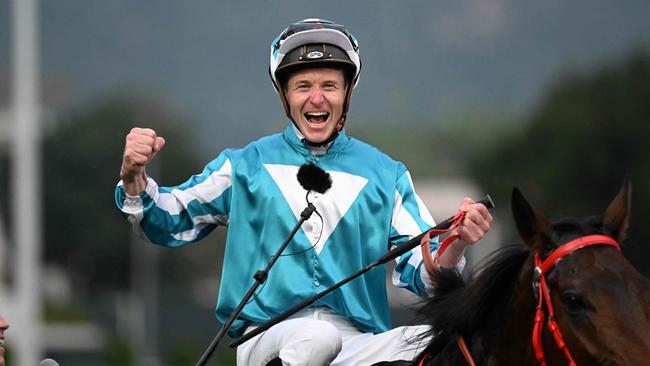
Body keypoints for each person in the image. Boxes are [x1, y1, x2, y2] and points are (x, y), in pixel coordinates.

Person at [115, 18, 492, 366]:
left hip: (356, 346)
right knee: (317, 336)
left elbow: (422, 277)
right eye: (303, 86)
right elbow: (166, 218)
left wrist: (455, 241)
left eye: (329, 85)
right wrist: (135, 176)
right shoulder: (244, 165)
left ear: (346, 92)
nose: (317, 98)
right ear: (285, 94)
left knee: (441, 339)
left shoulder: (386, 174)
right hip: (264, 338)